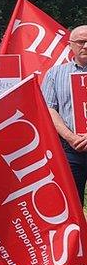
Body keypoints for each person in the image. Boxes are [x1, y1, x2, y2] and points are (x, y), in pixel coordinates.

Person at [42, 25, 87, 205]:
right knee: (71, 202)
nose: (85, 46)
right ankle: (78, 235)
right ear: (70, 45)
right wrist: (70, 137)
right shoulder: (55, 73)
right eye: (80, 42)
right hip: (70, 149)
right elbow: (49, 109)